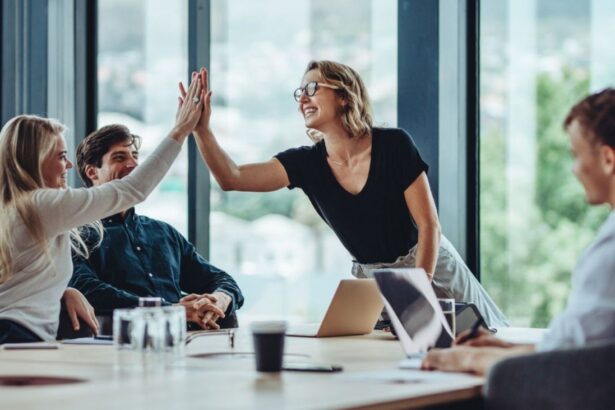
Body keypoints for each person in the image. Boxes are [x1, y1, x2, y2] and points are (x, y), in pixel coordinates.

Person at [181, 60, 508, 327]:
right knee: (395, 366)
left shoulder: (394, 144)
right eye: (299, 92)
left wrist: (414, 294)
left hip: (429, 264)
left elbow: (429, 227)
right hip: (373, 282)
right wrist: (202, 130)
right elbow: (231, 177)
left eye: (312, 88)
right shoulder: (306, 163)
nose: (302, 98)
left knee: (487, 342)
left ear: (344, 95)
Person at [421, 88, 615, 375]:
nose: (574, 169)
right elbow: (581, 347)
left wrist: (464, 359)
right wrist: (505, 348)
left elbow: (564, 363)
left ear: (608, 159)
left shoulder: (609, 254)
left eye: (576, 155)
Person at [0, 72, 204, 343]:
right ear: (36, 160)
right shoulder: (39, 205)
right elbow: (132, 189)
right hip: (17, 339)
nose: (69, 166)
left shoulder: (16, 208)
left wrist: (63, 291)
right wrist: (180, 131)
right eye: (61, 157)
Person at [69, 123, 244, 330]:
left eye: (135, 156)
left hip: (187, 344)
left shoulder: (163, 232)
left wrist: (219, 300)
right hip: (122, 346)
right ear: (92, 172)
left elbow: (221, 279)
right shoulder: (77, 236)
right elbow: (87, 289)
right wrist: (170, 310)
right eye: (119, 157)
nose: (134, 164)